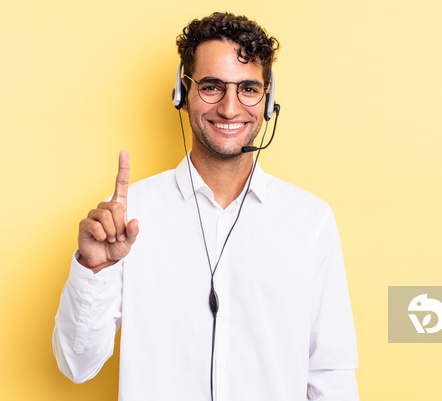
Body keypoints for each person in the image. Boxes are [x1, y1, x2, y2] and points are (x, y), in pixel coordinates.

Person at [53, 12, 359, 400]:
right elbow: (76, 365)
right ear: (183, 94)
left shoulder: (310, 221)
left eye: (248, 89)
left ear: (268, 101)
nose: (230, 108)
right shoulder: (129, 216)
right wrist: (93, 268)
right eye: (212, 87)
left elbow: (332, 375)